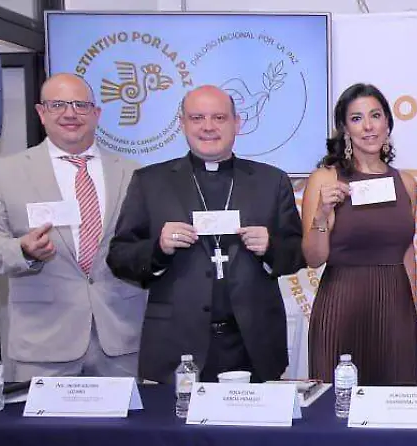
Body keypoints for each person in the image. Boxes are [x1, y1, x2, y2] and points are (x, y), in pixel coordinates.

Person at [107, 85, 304, 383]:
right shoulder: (150, 181)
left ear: (237, 123)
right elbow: (120, 257)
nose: (208, 127)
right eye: (197, 118)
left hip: (253, 344)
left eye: (219, 118)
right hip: (176, 343)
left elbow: (297, 252)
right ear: (182, 123)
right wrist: (159, 248)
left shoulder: (271, 181)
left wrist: (272, 247)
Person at [0, 73, 145, 379]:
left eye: (80, 105)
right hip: (43, 343)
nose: (70, 113)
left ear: (96, 113)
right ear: (41, 112)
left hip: (121, 341)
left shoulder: (134, 173)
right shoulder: (4, 172)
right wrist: (22, 250)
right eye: (58, 104)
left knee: (129, 413)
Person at [302, 83, 417, 385]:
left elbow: (407, 251)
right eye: (356, 118)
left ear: (387, 123)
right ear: (344, 128)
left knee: (396, 404)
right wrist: (321, 214)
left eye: (375, 116)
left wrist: (413, 312)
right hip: (342, 306)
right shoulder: (325, 178)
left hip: (395, 308)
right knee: (337, 404)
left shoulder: (406, 183)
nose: (368, 126)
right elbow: (314, 258)